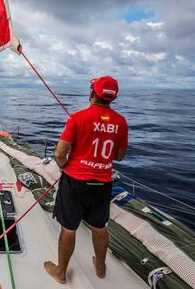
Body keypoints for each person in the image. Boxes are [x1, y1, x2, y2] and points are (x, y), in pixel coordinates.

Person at [44, 76, 128, 284]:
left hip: (75, 182)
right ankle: (100, 267)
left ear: (92, 93)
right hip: (102, 183)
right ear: (112, 98)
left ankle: (61, 272)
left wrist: (64, 166)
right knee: (100, 226)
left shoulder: (77, 118)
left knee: (69, 228)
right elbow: (119, 156)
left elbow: (59, 153)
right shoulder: (121, 122)